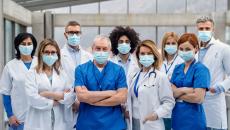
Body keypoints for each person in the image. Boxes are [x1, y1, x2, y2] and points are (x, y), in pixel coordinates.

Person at [75, 35, 128, 130]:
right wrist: (111, 93)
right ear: (92, 49)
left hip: (113, 125)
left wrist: (90, 97)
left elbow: (122, 97)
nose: (101, 52)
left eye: (104, 49)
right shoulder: (81, 69)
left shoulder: (118, 70)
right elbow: (81, 96)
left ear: (110, 50)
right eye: (98, 48)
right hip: (87, 125)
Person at [24, 39, 75, 130]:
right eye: (47, 52)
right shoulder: (32, 74)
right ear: (41, 53)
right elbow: (32, 98)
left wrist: (47, 94)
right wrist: (55, 100)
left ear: (57, 55)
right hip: (38, 123)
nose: (50, 55)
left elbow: (71, 96)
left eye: (53, 52)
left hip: (61, 123)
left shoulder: (62, 74)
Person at [126, 40, 175, 130]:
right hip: (134, 123)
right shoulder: (134, 76)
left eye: (149, 53)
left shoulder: (160, 76)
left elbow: (169, 102)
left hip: (151, 123)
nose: (146, 56)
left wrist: (156, 115)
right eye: (142, 53)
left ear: (154, 56)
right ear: (138, 56)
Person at [195, 16, 230, 130]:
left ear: (213, 30)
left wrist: (220, 87)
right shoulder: (194, 50)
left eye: (207, 28)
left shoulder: (223, 49)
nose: (204, 31)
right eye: (201, 29)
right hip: (195, 103)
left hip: (214, 101)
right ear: (197, 29)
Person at [171, 33, 211, 130]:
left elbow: (198, 98)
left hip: (194, 120)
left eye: (188, 49)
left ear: (196, 49)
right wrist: (186, 89)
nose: (184, 52)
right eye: (181, 49)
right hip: (177, 119)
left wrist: (177, 94)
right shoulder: (177, 68)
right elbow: (170, 92)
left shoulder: (201, 69)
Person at [0, 33, 37, 130]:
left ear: (33, 46)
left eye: (29, 43)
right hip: (18, 119)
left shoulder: (40, 63)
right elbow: (5, 93)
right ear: (17, 46)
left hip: (39, 117)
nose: (26, 46)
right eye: (23, 44)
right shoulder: (10, 66)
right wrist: (10, 115)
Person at [61, 21, 92, 129]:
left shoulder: (88, 57)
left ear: (81, 34)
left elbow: (91, 81)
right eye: (71, 32)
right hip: (65, 104)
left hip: (85, 103)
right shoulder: (59, 56)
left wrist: (80, 99)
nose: (74, 35)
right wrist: (72, 100)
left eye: (77, 33)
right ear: (65, 34)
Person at [160, 32, 183, 130]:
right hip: (161, 109)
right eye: (168, 43)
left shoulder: (181, 61)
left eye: (173, 43)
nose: (170, 46)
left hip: (176, 108)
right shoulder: (160, 63)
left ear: (178, 46)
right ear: (163, 45)